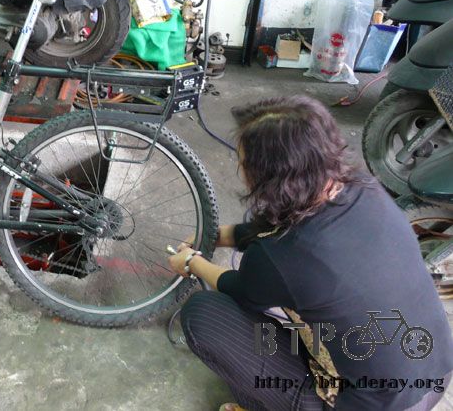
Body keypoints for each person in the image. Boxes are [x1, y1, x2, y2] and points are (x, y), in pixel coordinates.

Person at [167, 96, 453, 410]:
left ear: (268, 178)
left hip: (367, 405)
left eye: (244, 162)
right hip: (435, 372)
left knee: (204, 315)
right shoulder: (362, 187)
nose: (240, 168)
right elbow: (278, 225)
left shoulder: (281, 257)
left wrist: (192, 262)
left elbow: (239, 287)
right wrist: (217, 236)